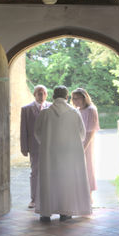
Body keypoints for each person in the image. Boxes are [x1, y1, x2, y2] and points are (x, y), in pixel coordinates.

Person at [34, 85, 91, 222]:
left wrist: (47, 143)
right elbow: (82, 135)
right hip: (69, 154)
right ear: (67, 97)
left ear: (53, 97)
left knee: (49, 180)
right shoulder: (74, 113)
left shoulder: (45, 113)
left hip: (49, 153)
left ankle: (46, 213)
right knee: (67, 180)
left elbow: (37, 133)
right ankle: (65, 212)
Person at [20, 85, 51, 208]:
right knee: (35, 172)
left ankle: (48, 197)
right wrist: (24, 147)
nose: (41, 95)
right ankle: (34, 199)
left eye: (43, 93)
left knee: (50, 172)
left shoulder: (52, 107)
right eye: (39, 93)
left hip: (50, 146)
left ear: (46, 95)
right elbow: (24, 130)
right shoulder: (26, 109)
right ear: (34, 94)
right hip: (34, 146)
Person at [71, 88, 100, 203]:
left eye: (76, 98)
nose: (74, 101)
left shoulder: (91, 109)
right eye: (73, 98)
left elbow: (91, 131)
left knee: (88, 167)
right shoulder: (77, 110)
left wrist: (83, 147)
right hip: (76, 143)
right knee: (78, 168)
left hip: (87, 143)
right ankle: (81, 193)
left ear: (84, 98)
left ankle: (89, 194)